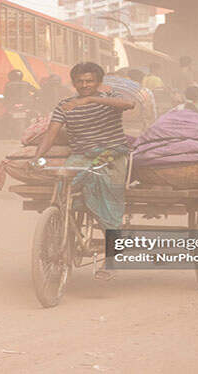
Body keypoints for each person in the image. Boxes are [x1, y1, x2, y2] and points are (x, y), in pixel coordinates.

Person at [32, 62, 135, 280]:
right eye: (80, 81)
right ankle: (63, 232)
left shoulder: (111, 99)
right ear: (74, 83)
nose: (84, 85)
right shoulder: (64, 105)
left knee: (107, 192)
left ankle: (111, 257)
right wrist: (37, 156)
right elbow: (51, 134)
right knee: (62, 187)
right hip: (80, 156)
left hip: (111, 155)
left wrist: (90, 99)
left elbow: (130, 104)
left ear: (99, 82)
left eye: (89, 81)